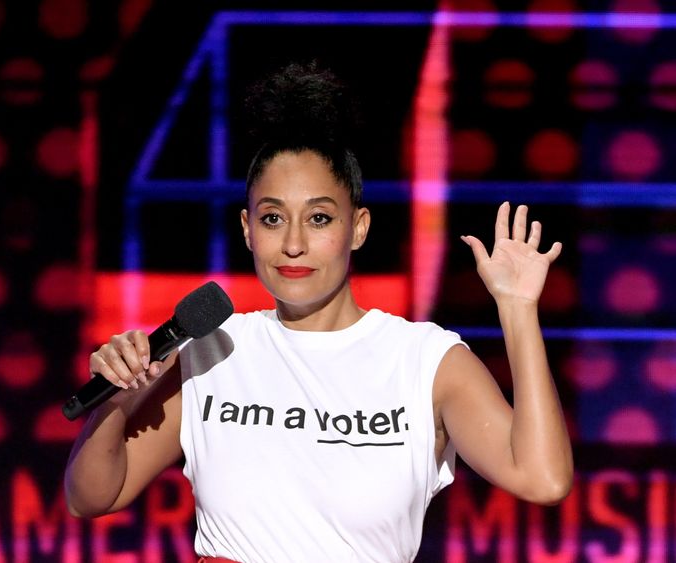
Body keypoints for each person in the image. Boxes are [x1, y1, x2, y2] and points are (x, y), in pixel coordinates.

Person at [64, 62, 573, 562]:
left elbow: (542, 478)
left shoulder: (426, 360)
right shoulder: (212, 350)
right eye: (272, 218)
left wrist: (518, 309)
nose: (293, 244)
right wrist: (116, 402)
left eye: (319, 218)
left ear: (359, 227)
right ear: (247, 229)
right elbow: (92, 498)